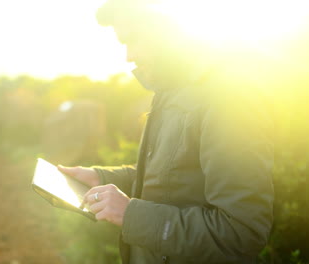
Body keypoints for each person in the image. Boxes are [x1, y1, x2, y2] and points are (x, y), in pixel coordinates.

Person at [58, 0, 274, 263]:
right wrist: (100, 178)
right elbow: (175, 179)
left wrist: (130, 214)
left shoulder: (228, 97)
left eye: (134, 39)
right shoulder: (170, 90)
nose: (129, 55)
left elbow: (240, 233)